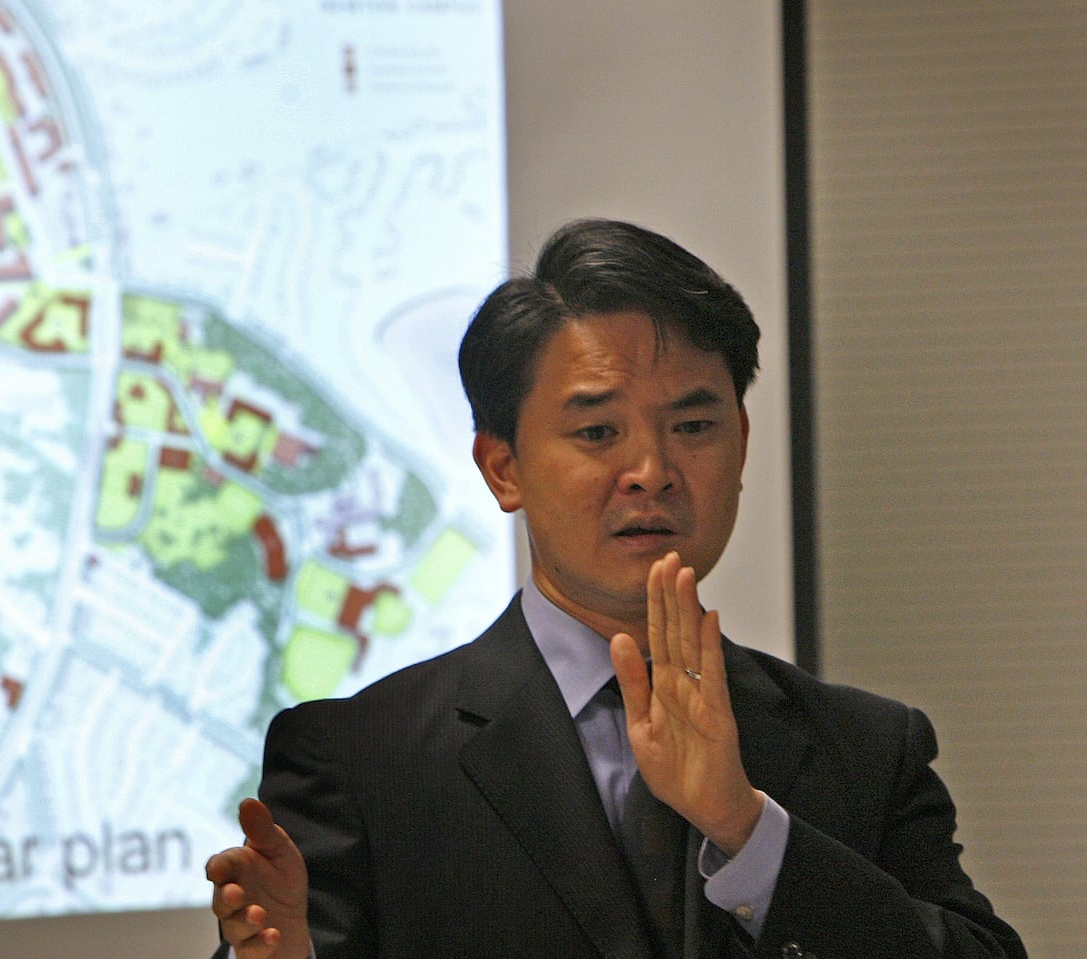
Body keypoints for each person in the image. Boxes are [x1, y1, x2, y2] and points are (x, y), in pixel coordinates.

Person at [204, 219, 1027, 959]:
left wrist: (747, 830)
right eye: (598, 431)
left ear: (740, 443)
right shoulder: (362, 761)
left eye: (694, 426)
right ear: (503, 466)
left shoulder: (866, 748)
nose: (654, 471)